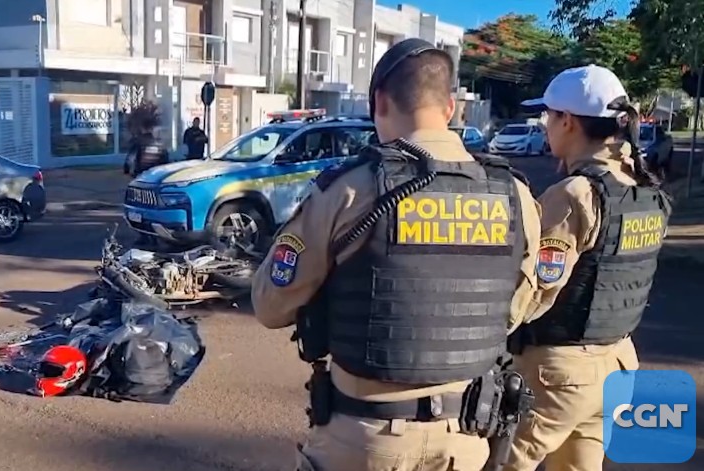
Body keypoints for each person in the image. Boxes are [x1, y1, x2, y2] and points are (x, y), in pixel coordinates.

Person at [251, 38, 542, 471]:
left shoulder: (350, 190)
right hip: (464, 441)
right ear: (450, 108)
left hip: (363, 442)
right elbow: (518, 307)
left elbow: (270, 305)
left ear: (381, 102)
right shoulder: (514, 195)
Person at [505, 65, 671, 471]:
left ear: (567, 120)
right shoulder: (644, 189)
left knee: (497, 462)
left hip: (559, 377)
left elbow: (532, 292)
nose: (544, 126)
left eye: (547, 116)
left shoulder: (574, 195)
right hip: (617, 367)